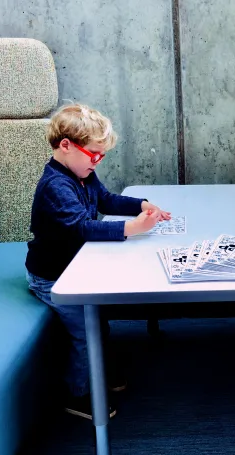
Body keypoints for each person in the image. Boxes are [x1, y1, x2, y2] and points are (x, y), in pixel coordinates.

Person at [25, 103, 170, 420]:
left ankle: (100, 371)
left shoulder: (82, 173)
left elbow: (106, 200)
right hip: (52, 276)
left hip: (75, 265)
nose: (98, 161)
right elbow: (81, 228)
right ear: (66, 146)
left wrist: (141, 204)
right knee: (84, 331)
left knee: (98, 323)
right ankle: (77, 394)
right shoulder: (55, 186)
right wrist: (132, 229)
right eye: (94, 154)